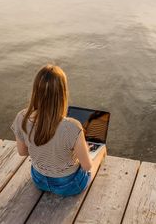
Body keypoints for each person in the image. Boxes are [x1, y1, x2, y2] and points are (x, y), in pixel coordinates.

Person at [10, 64, 105, 196]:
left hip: (39, 179)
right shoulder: (72, 126)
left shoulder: (22, 118)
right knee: (99, 153)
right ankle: (100, 152)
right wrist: (83, 149)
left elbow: (22, 152)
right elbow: (86, 166)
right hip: (69, 185)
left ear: (35, 91)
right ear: (63, 93)